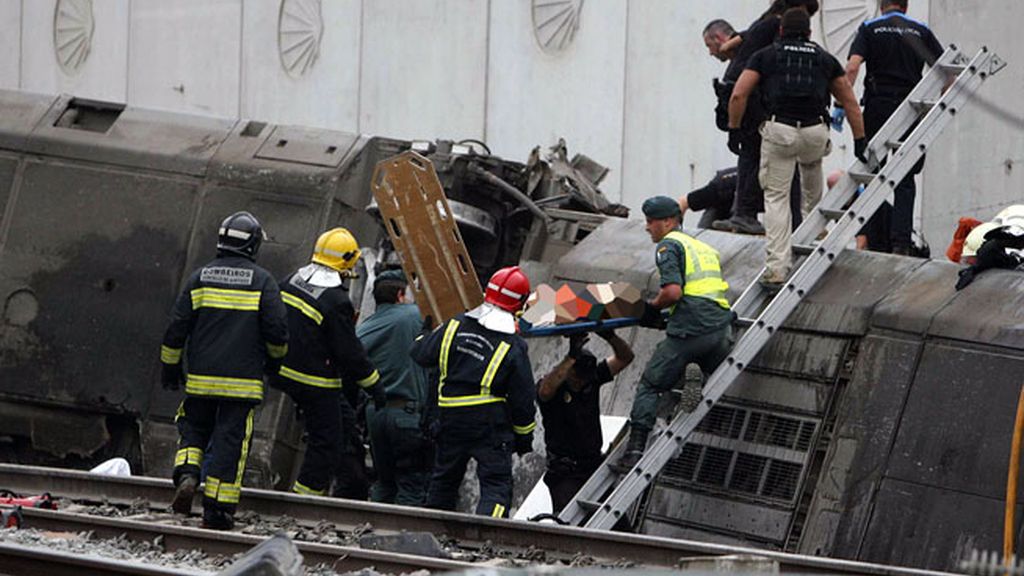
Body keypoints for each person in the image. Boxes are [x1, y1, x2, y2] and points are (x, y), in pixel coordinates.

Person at [161, 211, 288, 530]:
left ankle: (188, 475)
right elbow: (277, 332)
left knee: (193, 430)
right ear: (253, 245)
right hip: (241, 385)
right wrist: (274, 363)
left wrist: (170, 364)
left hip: (201, 380)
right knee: (231, 442)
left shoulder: (199, 277)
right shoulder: (263, 282)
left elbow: (177, 327)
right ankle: (217, 508)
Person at [729, 7, 865, 288]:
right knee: (811, 185)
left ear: (780, 31)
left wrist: (735, 129)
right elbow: (850, 102)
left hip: (780, 132)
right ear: (809, 32)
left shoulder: (765, 56)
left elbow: (739, 94)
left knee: (777, 199)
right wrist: (859, 140)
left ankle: (777, 269)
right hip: (815, 133)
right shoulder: (825, 59)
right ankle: (816, 240)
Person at [411, 266, 537, 518]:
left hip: (448, 419)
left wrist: (424, 334)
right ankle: (485, 540)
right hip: (488, 426)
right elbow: (523, 401)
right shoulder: (513, 345)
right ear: (520, 304)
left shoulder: (455, 325)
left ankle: (431, 530)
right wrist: (524, 438)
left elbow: (420, 354)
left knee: (444, 480)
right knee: (496, 485)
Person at [271, 227, 384, 498]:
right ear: (345, 261)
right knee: (327, 441)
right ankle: (303, 500)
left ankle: (350, 488)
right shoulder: (336, 300)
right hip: (313, 380)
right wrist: (374, 386)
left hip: (280, 369)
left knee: (342, 422)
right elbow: (349, 352)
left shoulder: (291, 279)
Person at [621, 196, 734, 468]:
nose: (647, 227)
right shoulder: (702, 247)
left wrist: (651, 308)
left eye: (651, 222)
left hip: (691, 328)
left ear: (668, 222)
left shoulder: (667, 246)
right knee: (689, 363)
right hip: (721, 330)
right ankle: (695, 375)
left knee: (651, 384)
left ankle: (635, 450)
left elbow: (673, 292)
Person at [842, 0, 944, 255]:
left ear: (881, 5)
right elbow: (946, 73)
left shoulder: (869, 27)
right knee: (906, 176)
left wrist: (840, 103)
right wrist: (937, 106)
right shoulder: (920, 30)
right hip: (910, 108)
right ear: (905, 6)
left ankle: (872, 237)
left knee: (871, 173)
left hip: (878, 105)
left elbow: (853, 66)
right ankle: (900, 242)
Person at [712, 0, 819, 236]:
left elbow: (729, 45)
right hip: (749, 95)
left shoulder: (763, 23)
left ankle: (745, 213)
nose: (804, 20)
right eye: (804, 13)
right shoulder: (776, 25)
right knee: (774, 154)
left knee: (754, 153)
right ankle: (771, 217)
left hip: (736, 92)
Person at [537, 330, 633, 514]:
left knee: (615, 523)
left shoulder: (592, 379)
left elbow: (625, 358)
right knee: (569, 522)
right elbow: (544, 392)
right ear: (568, 372)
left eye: (584, 379)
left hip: (592, 465)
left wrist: (608, 335)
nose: (580, 383)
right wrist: (571, 355)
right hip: (565, 472)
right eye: (576, 378)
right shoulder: (554, 386)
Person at [358, 269, 432, 506]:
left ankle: (372, 532)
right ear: (401, 294)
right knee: (411, 485)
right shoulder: (414, 315)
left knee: (384, 482)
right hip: (407, 415)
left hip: (375, 414)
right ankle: (400, 538)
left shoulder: (365, 327)